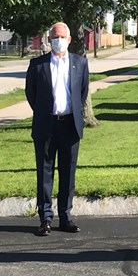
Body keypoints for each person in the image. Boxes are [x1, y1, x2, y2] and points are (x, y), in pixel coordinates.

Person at [25, 22, 90, 236]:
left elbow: (81, 93)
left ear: (69, 39)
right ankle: (45, 218)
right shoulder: (37, 64)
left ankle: (66, 216)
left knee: (68, 172)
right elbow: (31, 94)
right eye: (55, 36)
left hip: (70, 124)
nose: (58, 39)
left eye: (62, 36)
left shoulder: (79, 63)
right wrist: (45, 112)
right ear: (48, 38)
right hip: (46, 124)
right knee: (44, 172)